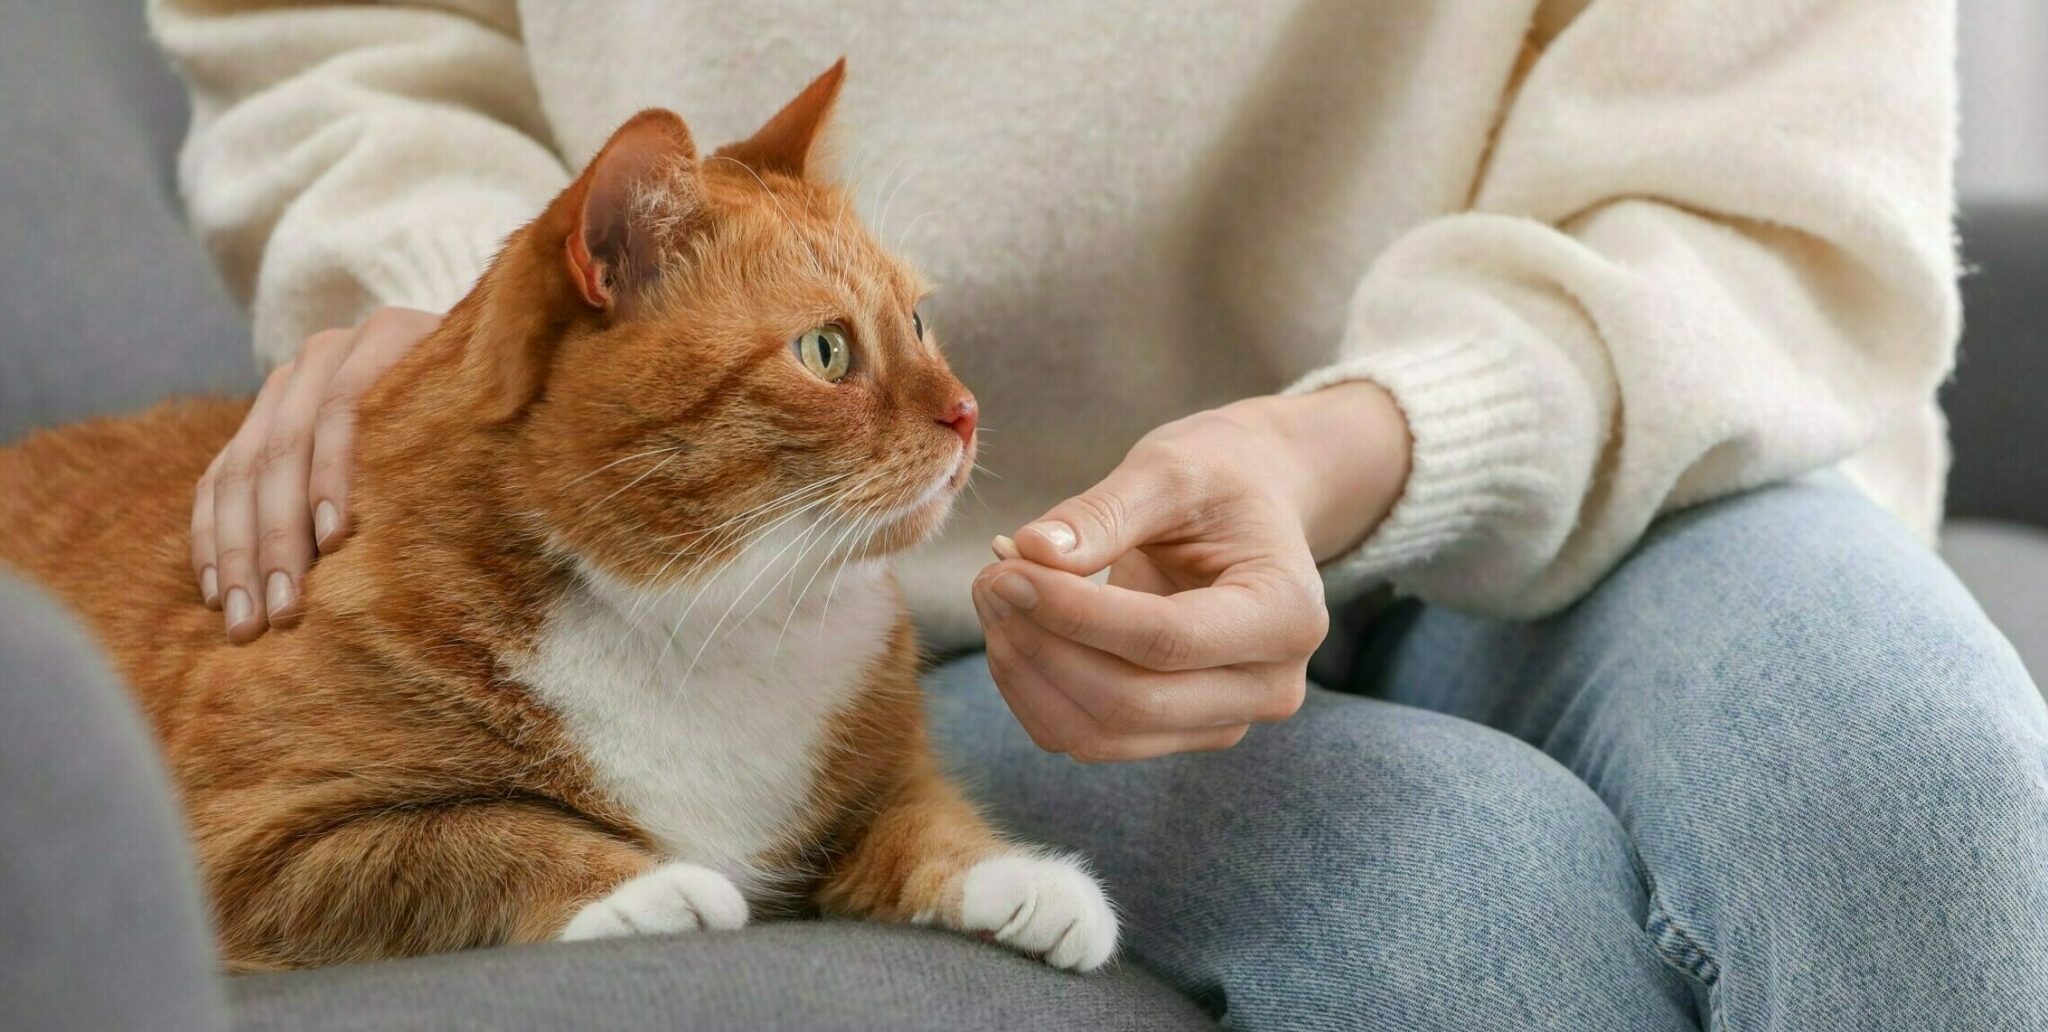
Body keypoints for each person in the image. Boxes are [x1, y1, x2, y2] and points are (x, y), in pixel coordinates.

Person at [148, 1, 2048, 1028]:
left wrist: (1358, 444)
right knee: (1466, 905)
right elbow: (344, 37)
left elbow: (1767, 179)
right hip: (956, 581)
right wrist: (478, 329)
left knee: (1920, 790)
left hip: (1623, 412)